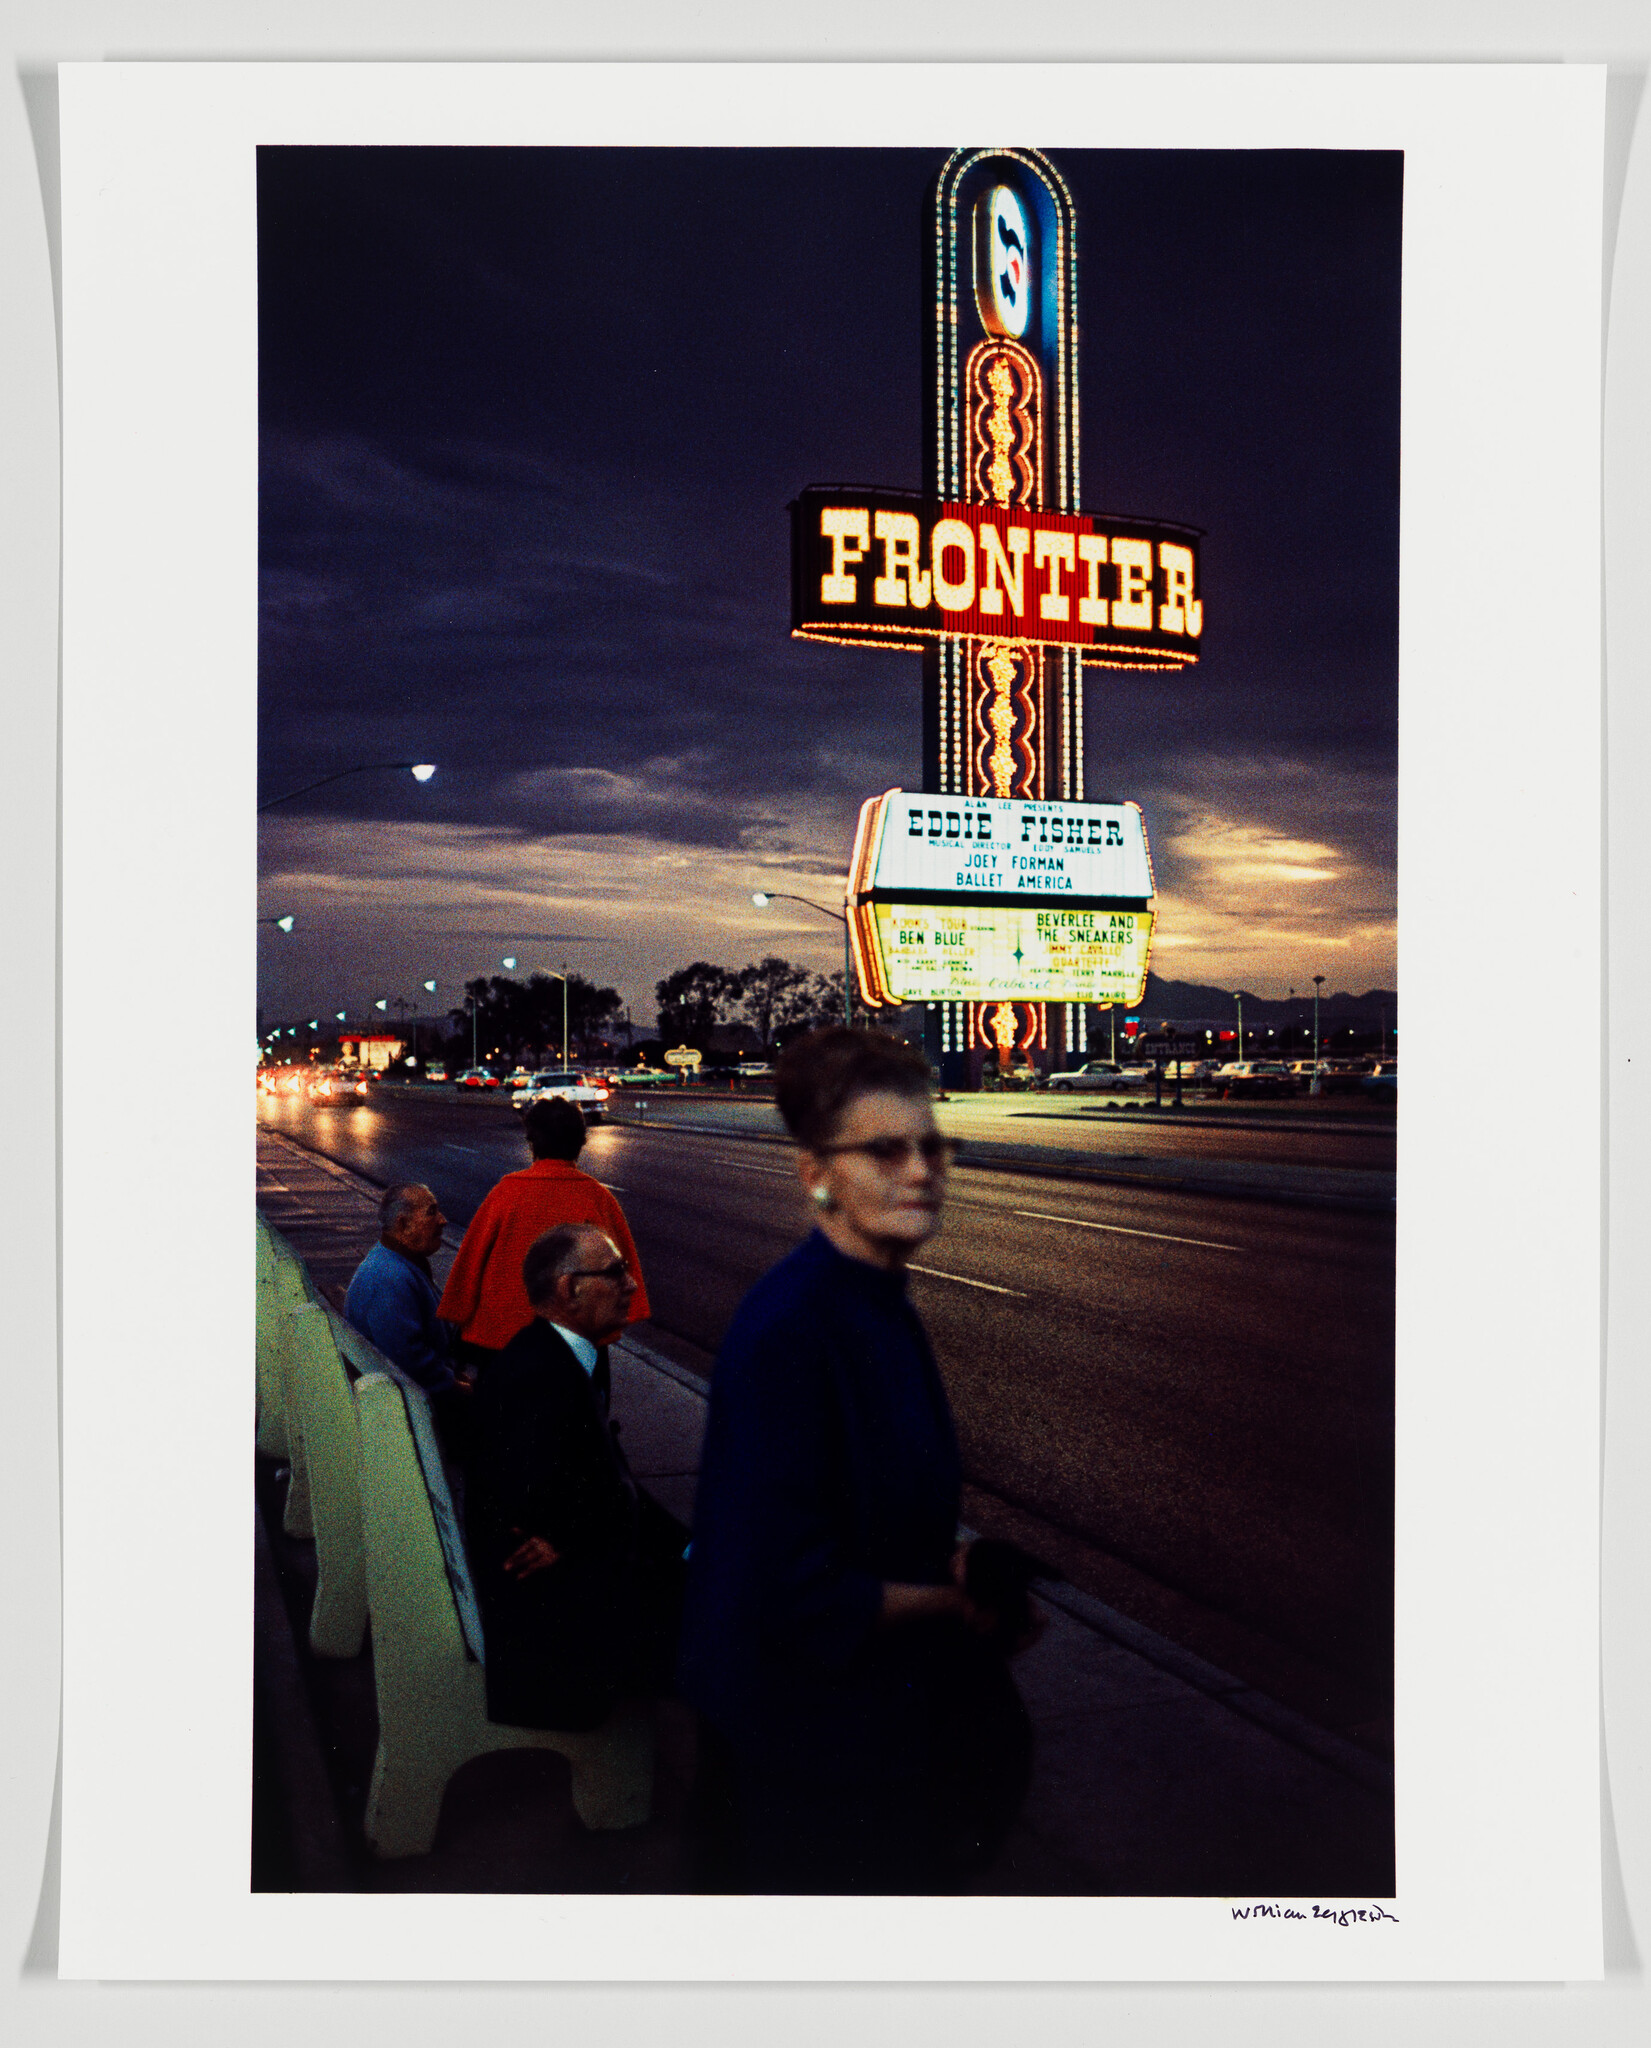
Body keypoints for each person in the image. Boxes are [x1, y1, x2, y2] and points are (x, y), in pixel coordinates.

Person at [678, 1026, 1034, 1894]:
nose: (921, 1170)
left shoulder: (877, 1300)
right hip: (812, 1758)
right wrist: (955, 1603)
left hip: (867, 1731)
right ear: (815, 1175)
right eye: (884, 1149)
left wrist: (950, 1560)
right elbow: (791, 1591)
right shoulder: (793, 1330)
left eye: (932, 1145)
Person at [464, 1222, 682, 1731]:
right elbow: (532, 1504)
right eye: (615, 1272)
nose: (631, 1284)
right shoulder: (538, 1376)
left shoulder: (555, 1354)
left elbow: (600, 1487)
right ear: (569, 1290)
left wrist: (688, 1546)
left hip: (579, 1585)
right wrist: (566, 1535)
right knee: (740, 1626)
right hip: (558, 1633)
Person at [437, 1095, 650, 1362]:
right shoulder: (597, 1197)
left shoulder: (507, 1192)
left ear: (532, 1142)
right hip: (573, 1339)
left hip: (502, 1337)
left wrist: (459, 1311)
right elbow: (620, 1269)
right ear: (581, 1143)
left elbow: (471, 1259)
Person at [344, 1182, 470, 1451]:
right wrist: (458, 1386)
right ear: (403, 1224)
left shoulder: (397, 1263)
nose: (443, 1220)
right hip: (409, 1414)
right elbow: (409, 1361)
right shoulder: (389, 1278)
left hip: (409, 1400)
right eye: (431, 1212)